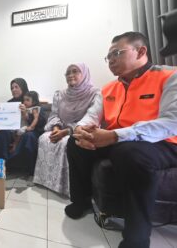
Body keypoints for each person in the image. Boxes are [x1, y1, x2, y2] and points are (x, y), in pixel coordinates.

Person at [65, 32, 177, 248]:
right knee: (75, 143)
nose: (112, 60)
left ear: (141, 51)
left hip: (164, 143)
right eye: (108, 57)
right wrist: (80, 130)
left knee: (130, 153)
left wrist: (115, 135)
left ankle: (137, 237)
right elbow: (92, 114)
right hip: (119, 141)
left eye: (117, 53)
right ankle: (80, 201)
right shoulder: (108, 88)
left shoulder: (169, 76)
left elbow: (172, 122)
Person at [33, 63, 100, 197]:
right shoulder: (60, 94)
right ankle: (47, 181)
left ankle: (68, 187)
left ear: (84, 74)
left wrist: (68, 131)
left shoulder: (95, 93)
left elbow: (92, 116)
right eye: (68, 73)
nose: (70, 75)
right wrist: (56, 127)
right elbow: (54, 114)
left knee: (67, 142)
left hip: (80, 130)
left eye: (75, 71)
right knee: (44, 137)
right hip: (60, 128)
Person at [0, 78, 29, 161]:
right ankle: (2, 163)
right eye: (12, 88)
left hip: (24, 130)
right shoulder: (9, 103)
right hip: (11, 131)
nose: (13, 90)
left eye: (16, 87)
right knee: (1, 133)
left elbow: (37, 121)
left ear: (23, 88)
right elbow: (3, 120)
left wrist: (25, 113)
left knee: (28, 136)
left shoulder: (29, 102)